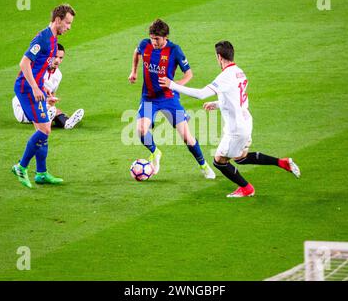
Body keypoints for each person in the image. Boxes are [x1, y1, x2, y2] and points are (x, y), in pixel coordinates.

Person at [159, 41, 300, 197]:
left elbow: (200, 93)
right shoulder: (240, 72)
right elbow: (239, 99)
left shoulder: (225, 76)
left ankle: (247, 188)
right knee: (241, 157)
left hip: (236, 128)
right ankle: (282, 162)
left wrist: (172, 85)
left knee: (219, 161)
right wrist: (217, 104)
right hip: (246, 121)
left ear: (219, 57)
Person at [128, 19, 215, 179]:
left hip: (169, 99)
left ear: (165, 37)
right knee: (141, 129)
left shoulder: (174, 50)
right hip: (149, 99)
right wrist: (133, 71)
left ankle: (204, 165)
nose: (154, 42)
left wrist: (174, 85)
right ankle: (155, 152)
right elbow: (136, 52)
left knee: (187, 137)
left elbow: (189, 74)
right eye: (152, 38)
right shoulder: (144, 44)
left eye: (158, 39)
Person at [11, 4, 76, 188]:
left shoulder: (54, 40)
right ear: (57, 20)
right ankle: (21, 167)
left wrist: (44, 89)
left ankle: (41, 173)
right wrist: (35, 87)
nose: (69, 27)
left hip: (36, 88)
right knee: (44, 130)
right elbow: (24, 63)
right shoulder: (43, 39)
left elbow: (39, 66)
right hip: (26, 88)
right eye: (68, 23)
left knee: (44, 129)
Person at [12, 43, 84, 129]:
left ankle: (66, 123)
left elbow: (52, 94)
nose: (57, 60)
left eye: (61, 58)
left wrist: (51, 101)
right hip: (23, 105)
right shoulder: (36, 68)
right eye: (55, 57)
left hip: (41, 105)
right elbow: (23, 87)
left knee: (52, 109)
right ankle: (50, 119)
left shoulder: (58, 75)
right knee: (47, 109)